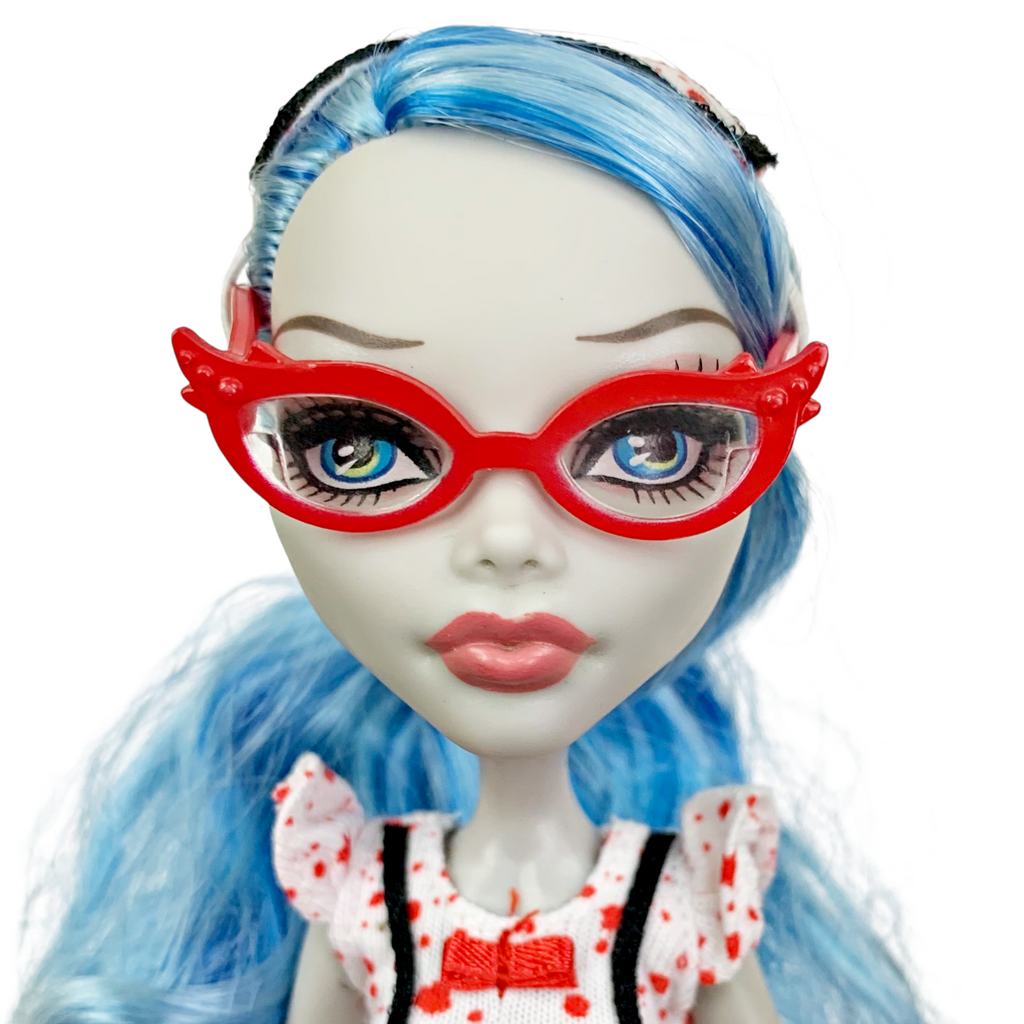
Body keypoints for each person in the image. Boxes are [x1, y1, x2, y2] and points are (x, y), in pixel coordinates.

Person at [13, 26, 925, 1024]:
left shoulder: (689, 901)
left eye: (648, 443)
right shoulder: (358, 896)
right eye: (360, 444)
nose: (505, 539)